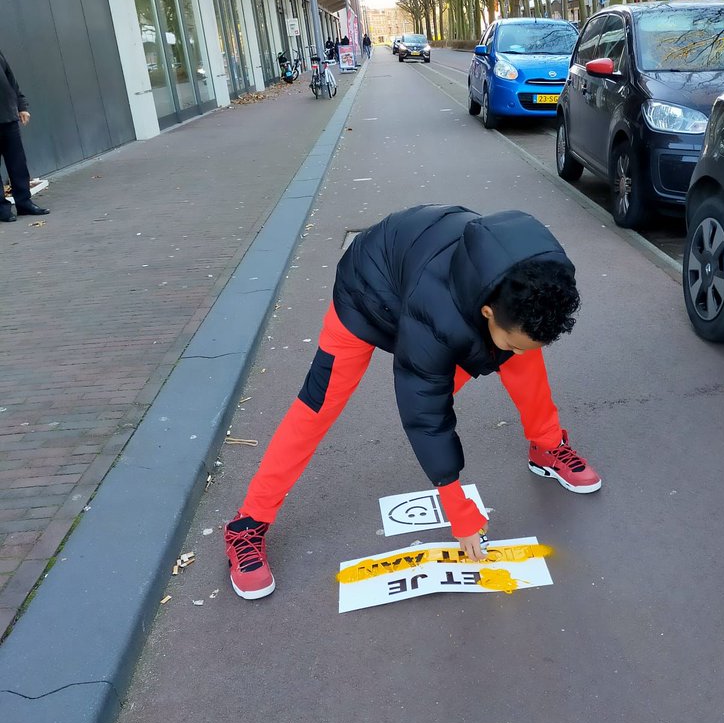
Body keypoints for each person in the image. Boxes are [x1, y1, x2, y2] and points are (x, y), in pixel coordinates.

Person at [225, 205, 601, 599]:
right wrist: (457, 508)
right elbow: (425, 410)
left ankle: (547, 447)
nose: (512, 350)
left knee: (524, 361)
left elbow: (515, 337)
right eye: (506, 340)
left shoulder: (538, 284)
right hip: (367, 290)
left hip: (435, 278)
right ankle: (248, 524)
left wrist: (514, 347)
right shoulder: (437, 311)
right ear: (487, 312)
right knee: (319, 406)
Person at [0, 50, 49, 223]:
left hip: (8, 117)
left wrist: (22, 106)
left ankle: (24, 203)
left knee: (18, 164)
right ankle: (2, 209)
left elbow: (11, 81)